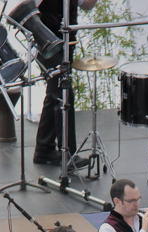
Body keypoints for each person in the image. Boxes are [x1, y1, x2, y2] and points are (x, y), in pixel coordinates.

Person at [32, 0, 98, 167]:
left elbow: (86, 5)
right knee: (63, 92)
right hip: (48, 40)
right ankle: (67, 153)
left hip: (67, 39)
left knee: (56, 94)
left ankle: (44, 149)